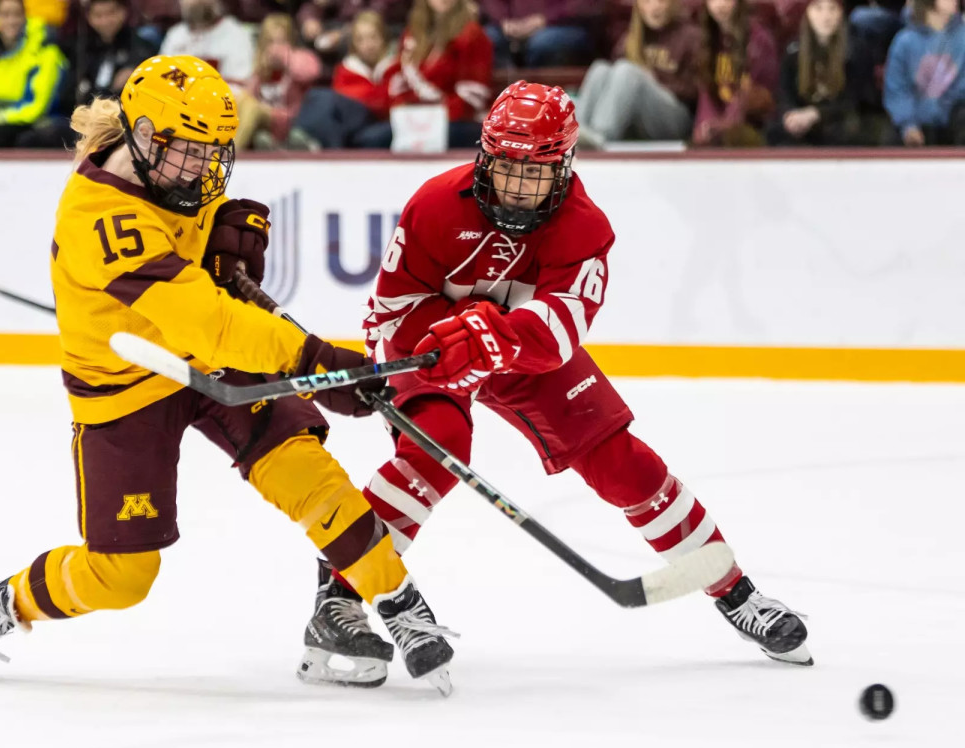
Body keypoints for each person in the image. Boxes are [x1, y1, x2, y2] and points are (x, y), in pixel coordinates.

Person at [0, 55, 457, 694]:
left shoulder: (175, 172)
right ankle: (9, 602)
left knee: (302, 468)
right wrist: (317, 362)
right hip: (126, 386)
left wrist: (225, 261)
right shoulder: (99, 217)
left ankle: (398, 603)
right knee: (121, 576)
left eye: (216, 153)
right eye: (192, 153)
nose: (207, 169)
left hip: (207, 363)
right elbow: (206, 323)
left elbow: (209, 286)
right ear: (145, 138)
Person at [294, 80, 813, 687]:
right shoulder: (434, 204)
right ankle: (338, 598)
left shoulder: (584, 228)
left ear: (564, 165)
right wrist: (446, 342)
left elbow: (559, 330)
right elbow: (389, 311)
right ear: (485, 155)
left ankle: (736, 593)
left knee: (624, 464)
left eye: (533, 171)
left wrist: (492, 337)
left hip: (523, 355)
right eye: (505, 166)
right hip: (434, 348)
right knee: (434, 450)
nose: (516, 186)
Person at [362, 0, 493, 150]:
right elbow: (399, 80)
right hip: (416, 115)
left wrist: (435, 114)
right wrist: (405, 110)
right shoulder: (412, 33)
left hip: (457, 119)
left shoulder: (472, 34)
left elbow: (473, 95)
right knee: (369, 139)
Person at [574, 0, 701, 147]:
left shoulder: (692, 36)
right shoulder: (632, 37)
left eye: (661, 1)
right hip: (637, 119)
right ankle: (577, 133)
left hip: (677, 117)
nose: (655, 7)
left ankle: (601, 134)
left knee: (628, 71)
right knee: (600, 68)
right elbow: (614, 80)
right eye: (647, 1)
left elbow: (698, 90)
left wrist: (653, 81)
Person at [0, 0, 69, 147]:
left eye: (16, 14)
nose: (11, 21)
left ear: (25, 17)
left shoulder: (45, 51)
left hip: (37, 123)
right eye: (5, 15)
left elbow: (35, 107)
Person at [768, 0, 879, 146]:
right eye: (818, 9)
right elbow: (784, 93)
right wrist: (790, 114)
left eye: (832, 9)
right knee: (775, 133)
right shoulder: (793, 51)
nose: (826, 16)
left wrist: (816, 114)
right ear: (807, 13)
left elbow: (857, 100)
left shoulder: (856, 52)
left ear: (840, 13)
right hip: (803, 121)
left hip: (840, 122)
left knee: (846, 132)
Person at [290, 9, 396, 150]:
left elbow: (393, 103)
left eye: (373, 37)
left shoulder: (396, 68)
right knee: (319, 97)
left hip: (378, 128)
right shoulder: (345, 69)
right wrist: (374, 96)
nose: (368, 45)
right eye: (361, 39)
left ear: (384, 38)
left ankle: (314, 142)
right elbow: (342, 106)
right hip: (348, 131)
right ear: (353, 44)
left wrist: (369, 98)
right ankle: (308, 140)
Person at [691, 0, 779, 146]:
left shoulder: (759, 39)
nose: (719, 5)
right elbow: (706, 92)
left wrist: (722, 125)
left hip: (753, 124)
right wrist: (704, 126)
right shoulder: (708, 38)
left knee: (732, 137)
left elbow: (750, 94)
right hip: (721, 125)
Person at [882, 0, 965, 146]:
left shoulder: (962, 38)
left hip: (954, 121)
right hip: (914, 123)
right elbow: (896, 90)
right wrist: (908, 125)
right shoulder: (905, 41)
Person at [239, 14, 321, 150]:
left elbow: (310, 72)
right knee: (242, 102)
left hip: (292, 120)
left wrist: (286, 57)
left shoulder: (302, 57)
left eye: (281, 42)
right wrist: (259, 72)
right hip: (265, 122)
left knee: (252, 107)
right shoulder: (259, 66)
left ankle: (231, 155)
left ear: (291, 40)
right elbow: (249, 97)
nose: (275, 48)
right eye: (270, 42)